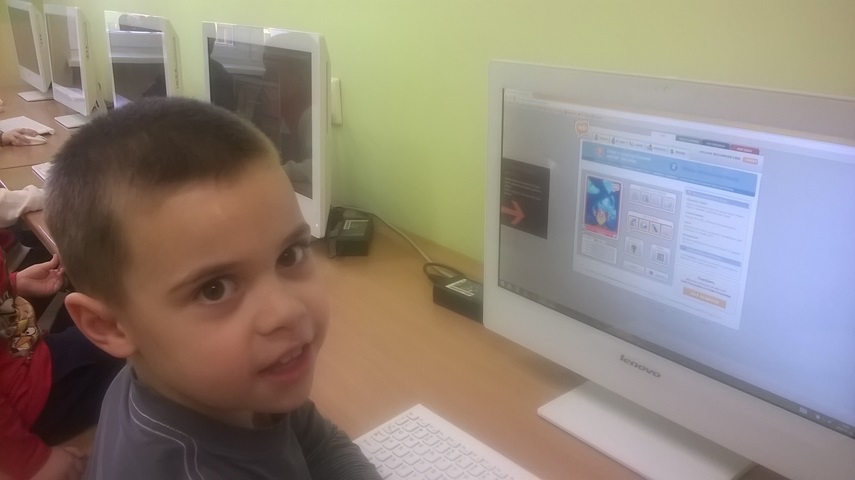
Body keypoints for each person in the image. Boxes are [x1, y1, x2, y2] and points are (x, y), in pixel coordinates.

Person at [44, 97, 382, 479]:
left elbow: (316, 442)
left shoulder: (214, 382)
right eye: (214, 289)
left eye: (289, 255)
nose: (286, 311)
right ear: (110, 326)